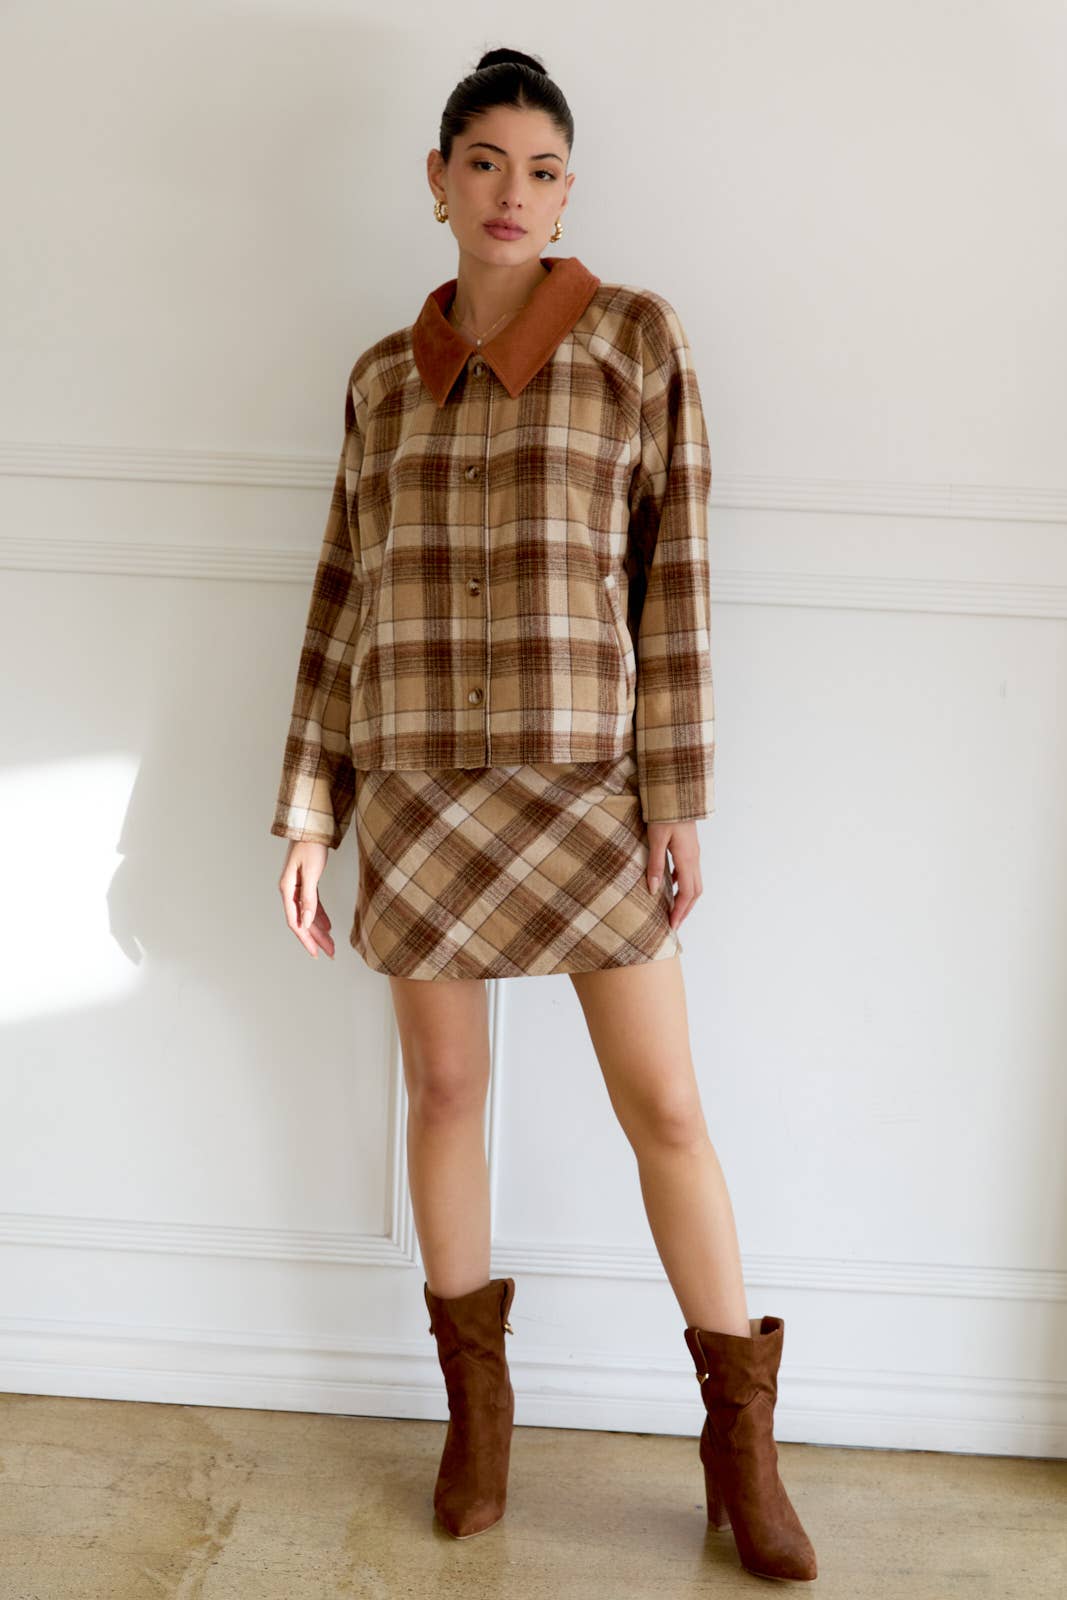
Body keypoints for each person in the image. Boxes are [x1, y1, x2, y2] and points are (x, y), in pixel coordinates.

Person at [270, 46, 817, 1583]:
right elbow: (338, 597)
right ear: (438, 181)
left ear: (570, 190)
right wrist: (312, 807)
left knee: (670, 1113)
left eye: (545, 168)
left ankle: (741, 1449)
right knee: (445, 1103)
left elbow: (677, 578)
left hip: (587, 794)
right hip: (421, 787)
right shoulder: (385, 377)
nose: (515, 191)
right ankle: (477, 1422)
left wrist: (678, 796)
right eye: (487, 161)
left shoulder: (634, 340)